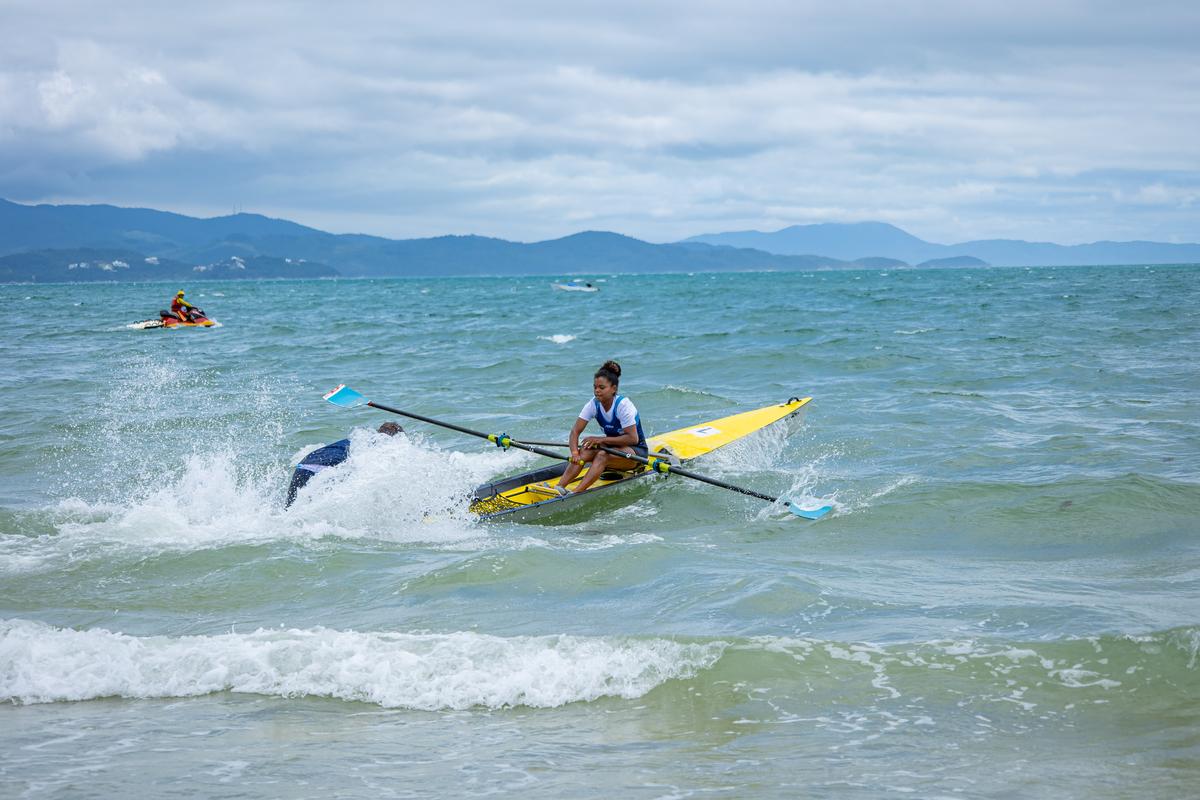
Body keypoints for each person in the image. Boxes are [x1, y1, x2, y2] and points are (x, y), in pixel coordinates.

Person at [543, 360, 647, 495]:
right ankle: (560, 487)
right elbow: (575, 431)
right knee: (584, 451)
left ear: (613, 389)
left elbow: (633, 438)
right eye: (595, 387)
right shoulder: (593, 404)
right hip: (613, 449)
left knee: (602, 455)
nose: (597, 391)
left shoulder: (623, 406)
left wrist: (600, 440)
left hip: (636, 453)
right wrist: (575, 453)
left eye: (602, 388)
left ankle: (575, 493)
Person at [285, 422, 403, 506]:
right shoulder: (377, 445)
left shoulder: (359, 440)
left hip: (303, 465)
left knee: (289, 511)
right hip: (319, 470)